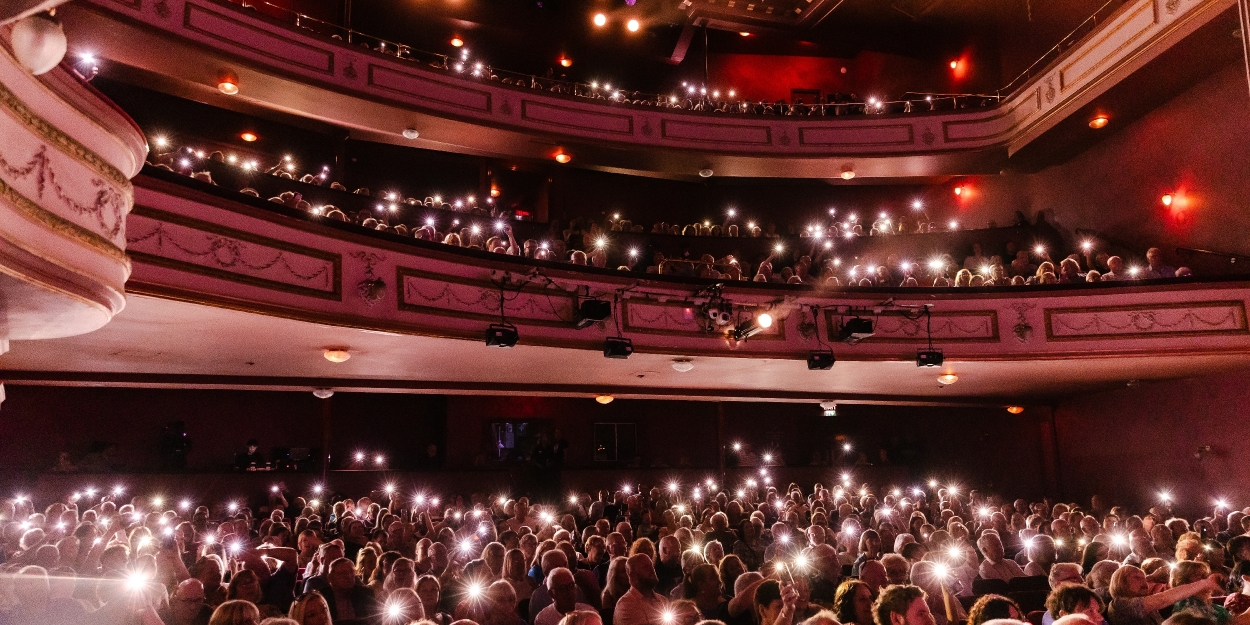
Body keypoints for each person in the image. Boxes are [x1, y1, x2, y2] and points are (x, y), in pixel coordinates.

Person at [1107, 565, 1220, 625]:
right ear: (1120, 582)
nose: (1143, 582)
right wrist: (1205, 583)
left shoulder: (1149, 607)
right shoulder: (1119, 604)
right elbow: (1163, 599)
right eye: (1136, 577)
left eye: (1144, 578)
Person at [614, 554, 669, 625]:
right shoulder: (626, 605)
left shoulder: (663, 601)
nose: (652, 569)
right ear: (632, 575)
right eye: (646, 567)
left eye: (651, 565)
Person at [321, 557, 380, 623]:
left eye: (352, 572)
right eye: (343, 573)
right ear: (330, 578)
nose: (349, 576)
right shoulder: (322, 597)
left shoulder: (365, 594)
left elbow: (376, 620)